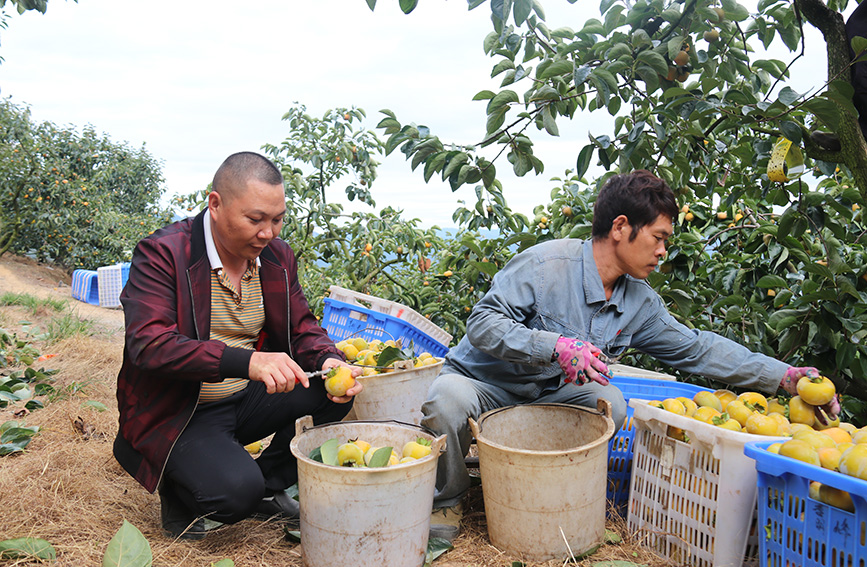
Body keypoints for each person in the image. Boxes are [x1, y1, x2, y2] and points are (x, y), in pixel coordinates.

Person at [422, 169, 840, 542]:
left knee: (611, 404)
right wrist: (553, 345)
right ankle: (450, 498)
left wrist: (784, 377)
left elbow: (697, 348)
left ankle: (556, 491)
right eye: (658, 238)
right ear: (621, 227)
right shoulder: (546, 265)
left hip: (548, 398)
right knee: (446, 399)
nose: (663, 252)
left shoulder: (638, 302)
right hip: (486, 386)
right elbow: (482, 323)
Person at [113, 151, 362, 540]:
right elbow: (150, 344)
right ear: (215, 204)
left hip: (243, 399)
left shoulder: (276, 258)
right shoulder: (164, 254)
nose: (269, 232)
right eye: (255, 219)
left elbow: (301, 326)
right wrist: (247, 362)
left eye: (278, 219)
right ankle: (185, 485)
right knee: (232, 494)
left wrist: (328, 358)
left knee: (333, 393)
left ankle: (266, 484)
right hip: (180, 409)